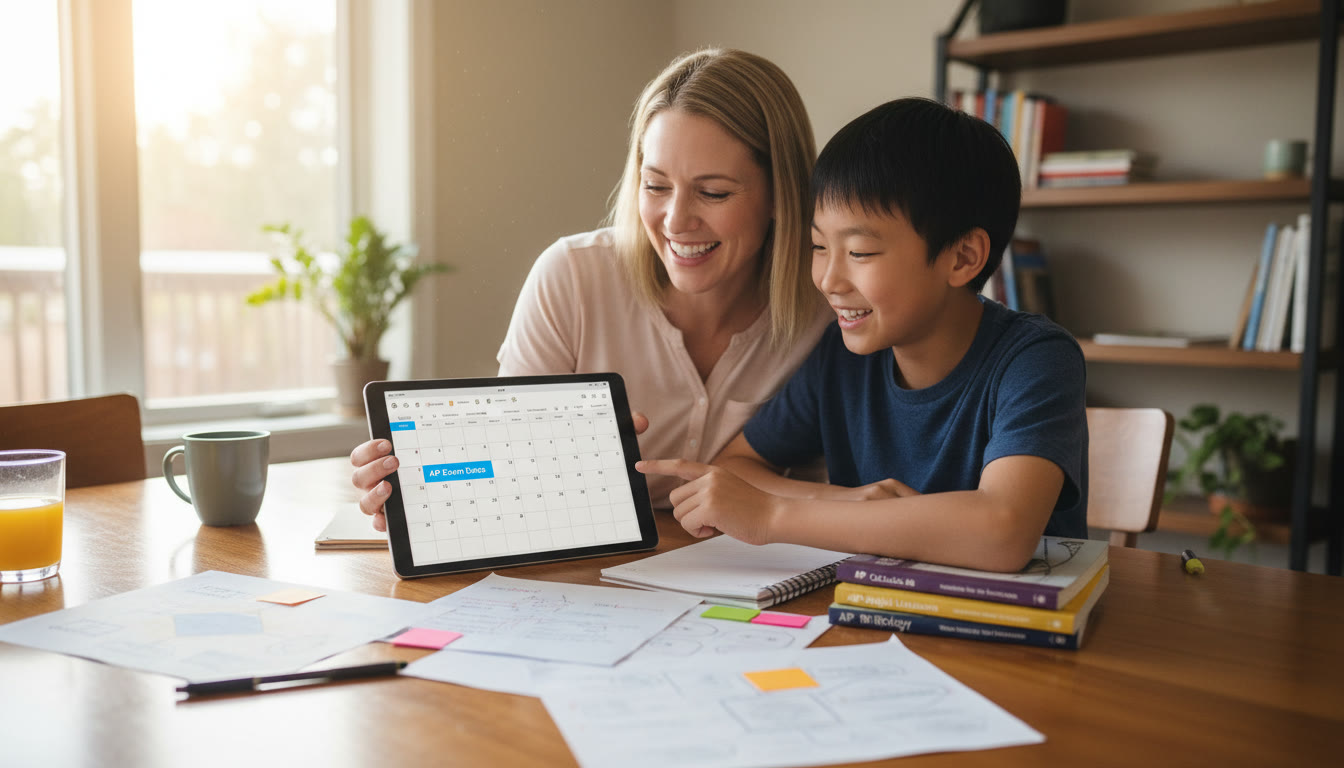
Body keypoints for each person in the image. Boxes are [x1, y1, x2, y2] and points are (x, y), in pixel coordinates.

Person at [350, 48, 831, 530]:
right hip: (587, 565)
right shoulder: (573, 277)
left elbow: (834, 486)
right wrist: (422, 491)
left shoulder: (828, 307)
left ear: (780, 194)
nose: (676, 221)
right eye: (655, 185)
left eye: (713, 192)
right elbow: (503, 467)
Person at [638, 97, 1088, 573]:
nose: (828, 280)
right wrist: (846, 502)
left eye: (860, 252)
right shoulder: (845, 356)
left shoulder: (1035, 359)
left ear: (962, 258)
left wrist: (773, 514)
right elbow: (736, 468)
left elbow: (1002, 532)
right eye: (818, 246)